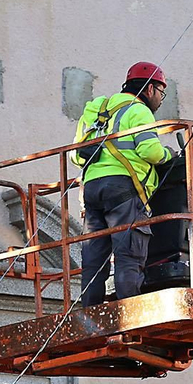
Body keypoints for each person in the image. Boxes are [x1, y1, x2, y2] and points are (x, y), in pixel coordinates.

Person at [72, 62, 174, 305]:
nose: (160, 100)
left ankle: (91, 313)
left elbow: (75, 155)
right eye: (161, 93)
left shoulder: (96, 110)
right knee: (129, 253)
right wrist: (169, 154)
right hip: (123, 190)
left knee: (94, 257)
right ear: (149, 89)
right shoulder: (139, 111)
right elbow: (150, 151)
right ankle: (129, 313)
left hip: (92, 189)